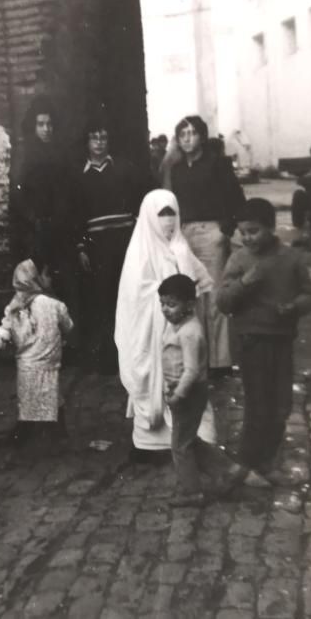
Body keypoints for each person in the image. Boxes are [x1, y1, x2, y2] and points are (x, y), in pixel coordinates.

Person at [219, 198, 311, 482]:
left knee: (281, 406)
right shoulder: (238, 260)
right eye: (242, 232)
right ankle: (245, 464)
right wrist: (246, 283)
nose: (247, 238)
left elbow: (310, 295)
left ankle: (265, 461)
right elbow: (223, 302)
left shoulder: (291, 258)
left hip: (281, 340)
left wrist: (295, 306)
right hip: (251, 342)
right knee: (258, 406)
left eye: (254, 231)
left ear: (271, 228)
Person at [115, 189, 218, 454]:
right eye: (162, 215)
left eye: (172, 213)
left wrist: (185, 277)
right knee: (155, 381)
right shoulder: (140, 253)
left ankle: (195, 442)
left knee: (187, 380)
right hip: (152, 334)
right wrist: (165, 298)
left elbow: (201, 282)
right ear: (150, 217)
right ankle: (153, 444)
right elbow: (135, 297)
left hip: (181, 333)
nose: (168, 221)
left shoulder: (182, 248)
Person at [167, 115, 246, 376]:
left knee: (214, 297)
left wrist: (224, 230)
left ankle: (220, 361)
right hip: (186, 234)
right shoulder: (176, 169)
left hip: (211, 231)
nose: (188, 138)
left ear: (202, 136)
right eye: (183, 134)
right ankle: (199, 360)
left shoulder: (217, 164)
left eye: (193, 133)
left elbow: (236, 198)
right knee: (193, 296)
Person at [0, 258, 73, 447]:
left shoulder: (14, 307)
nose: (50, 279)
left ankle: (29, 433)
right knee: (52, 396)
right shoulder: (54, 305)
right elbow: (68, 327)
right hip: (48, 364)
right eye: (46, 275)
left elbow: (2, 336)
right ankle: (52, 435)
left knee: (29, 400)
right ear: (36, 279)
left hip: (27, 365)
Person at [75, 115, 146, 374]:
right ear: (86, 141)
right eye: (94, 137)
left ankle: (132, 352)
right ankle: (108, 356)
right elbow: (76, 216)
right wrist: (82, 248)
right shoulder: (80, 176)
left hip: (124, 242)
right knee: (102, 299)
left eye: (103, 137)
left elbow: (140, 205)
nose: (99, 142)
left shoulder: (124, 169)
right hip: (97, 246)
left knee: (127, 296)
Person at [159, 274, 234, 506]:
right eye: (162, 304)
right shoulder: (177, 326)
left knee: (180, 445)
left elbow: (191, 370)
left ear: (189, 305)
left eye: (171, 304)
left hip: (188, 393)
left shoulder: (190, 332)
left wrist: (178, 395)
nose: (165, 310)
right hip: (179, 390)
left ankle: (192, 491)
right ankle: (226, 471)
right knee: (189, 439)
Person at [18, 96, 80, 350]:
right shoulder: (25, 157)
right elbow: (20, 198)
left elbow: (70, 194)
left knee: (66, 287)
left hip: (62, 231)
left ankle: (70, 346)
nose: (46, 129)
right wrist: (35, 222)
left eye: (50, 124)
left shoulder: (62, 155)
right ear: (33, 126)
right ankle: (44, 345)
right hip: (37, 232)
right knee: (40, 289)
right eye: (41, 124)